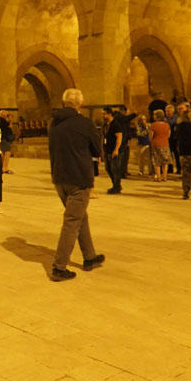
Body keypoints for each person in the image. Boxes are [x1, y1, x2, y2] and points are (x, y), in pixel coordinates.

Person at [48, 88, 104, 282]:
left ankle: (90, 257)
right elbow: (97, 149)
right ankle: (59, 267)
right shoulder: (84, 123)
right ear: (80, 103)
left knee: (81, 217)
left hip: (60, 179)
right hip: (79, 179)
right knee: (72, 221)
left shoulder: (54, 124)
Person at [101, 108, 124, 194]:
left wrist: (116, 149)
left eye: (104, 114)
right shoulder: (105, 125)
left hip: (115, 151)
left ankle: (116, 187)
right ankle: (116, 185)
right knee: (108, 168)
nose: (103, 116)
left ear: (110, 114)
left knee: (115, 169)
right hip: (107, 150)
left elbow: (119, 137)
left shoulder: (116, 124)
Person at [149, 109, 171, 182]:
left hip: (156, 143)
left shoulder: (154, 125)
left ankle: (158, 176)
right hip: (165, 143)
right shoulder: (167, 125)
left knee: (157, 160)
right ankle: (164, 176)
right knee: (165, 160)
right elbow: (168, 135)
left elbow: (151, 136)